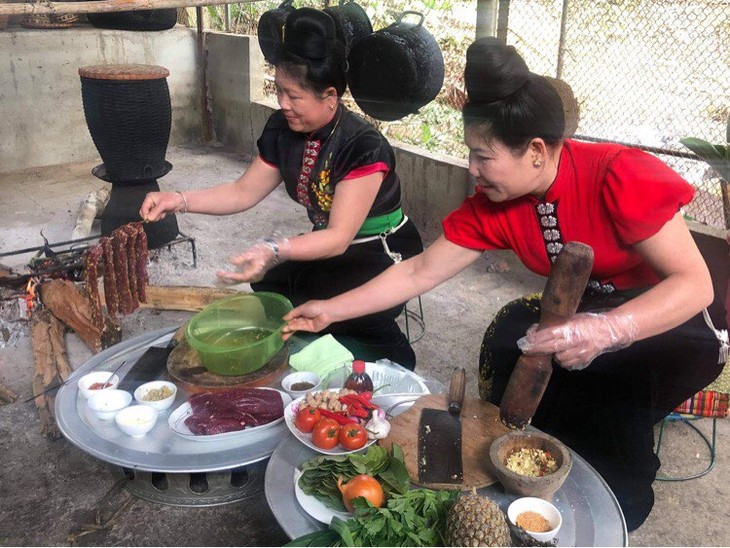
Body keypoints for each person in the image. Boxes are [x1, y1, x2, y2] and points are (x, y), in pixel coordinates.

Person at [283, 37, 727, 530]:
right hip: (589, 307)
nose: (472, 170)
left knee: (608, 377)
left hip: (671, 313)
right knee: (512, 339)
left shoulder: (618, 174)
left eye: (482, 156)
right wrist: (331, 310)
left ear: (536, 150)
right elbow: (418, 271)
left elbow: (694, 286)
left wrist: (604, 332)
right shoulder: (496, 203)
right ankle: (532, 467)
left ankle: (614, 499)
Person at [139, 8, 423, 369]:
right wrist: (178, 200)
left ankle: (392, 357)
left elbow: (338, 237)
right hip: (334, 244)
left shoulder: (361, 146)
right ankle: (327, 349)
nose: (283, 104)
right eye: (278, 91)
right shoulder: (282, 129)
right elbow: (243, 192)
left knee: (334, 306)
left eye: (294, 95)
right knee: (274, 286)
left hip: (379, 248)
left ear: (330, 96)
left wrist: (274, 248)